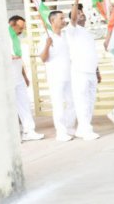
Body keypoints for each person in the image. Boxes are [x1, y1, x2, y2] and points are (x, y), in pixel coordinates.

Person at [67, 0, 101, 140]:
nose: (81, 15)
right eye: (78, 13)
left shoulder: (87, 33)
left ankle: (83, 128)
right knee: (82, 102)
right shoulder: (72, 30)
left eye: (82, 13)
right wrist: (76, 1)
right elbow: (73, 18)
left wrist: (97, 71)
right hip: (80, 72)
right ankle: (85, 130)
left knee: (90, 101)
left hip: (91, 72)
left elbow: (92, 53)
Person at [40, 10, 77, 142]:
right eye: (61, 18)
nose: (64, 20)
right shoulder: (46, 36)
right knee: (59, 105)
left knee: (72, 102)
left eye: (64, 18)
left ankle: (69, 127)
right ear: (52, 21)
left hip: (69, 74)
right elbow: (43, 59)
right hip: (56, 77)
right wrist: (47, 45)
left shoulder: (66, 35)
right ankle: (61, 132)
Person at [9, 15, 44, 141]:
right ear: (12, 25)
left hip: (18, 77)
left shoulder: (16, 39)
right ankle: (15, 133)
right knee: (10, 106)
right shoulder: (4, 37)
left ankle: (29, 131)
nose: (21, 31)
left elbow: (19, 59)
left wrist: (24, 76)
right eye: (20, 28)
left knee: (24, 103)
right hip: (8, 78)